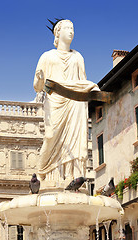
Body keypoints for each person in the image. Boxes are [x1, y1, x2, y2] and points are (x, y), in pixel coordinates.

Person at [33, 19, 99, 182]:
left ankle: (71, 176)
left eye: (72, 28)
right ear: (58, 32)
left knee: (75, 138)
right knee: (50, 136)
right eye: (67, 28)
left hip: (75, 101)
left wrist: (90, 88)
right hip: (55, 100)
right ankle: (43, 171)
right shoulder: (47, 56)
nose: (71, 31)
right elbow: (37, 87)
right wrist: (40, 78)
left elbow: (82, 81)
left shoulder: (78, 57)